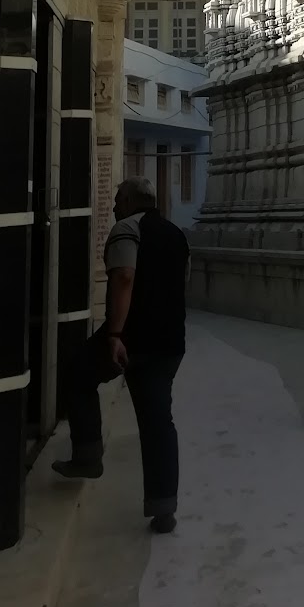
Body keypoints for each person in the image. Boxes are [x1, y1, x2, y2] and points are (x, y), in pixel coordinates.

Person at [52, 176, 190, 534]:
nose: (113, 206)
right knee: (158, 421)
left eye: (117, 200)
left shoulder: (126, 228)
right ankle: (164, 508)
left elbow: (125, 277)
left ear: (129, 201)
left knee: (77, 373)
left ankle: (86, 455)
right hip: (170, 343)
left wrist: (114, 333)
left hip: (131, 339)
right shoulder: (176, 234)